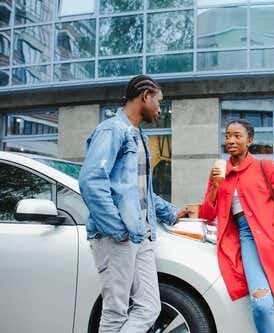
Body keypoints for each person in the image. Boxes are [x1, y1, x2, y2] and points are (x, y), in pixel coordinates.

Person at [79, 75, 185, 333]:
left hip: (141, 235)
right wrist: (118, 230)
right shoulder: (112, 130)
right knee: (115, 312)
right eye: (159, 102)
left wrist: (172, 213)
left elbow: (140, 192)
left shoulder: (138, 136)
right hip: (118, 237)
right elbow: (91, 182)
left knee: (149, 307)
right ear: (145, 96)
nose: (161, 109)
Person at [198, 119, 274, 333]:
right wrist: (215, 188)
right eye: (228, 135)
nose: (230, 140)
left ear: (250, 140)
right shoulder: (219, 172)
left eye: (237, 136)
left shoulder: (264, 166)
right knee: (261, 304)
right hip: (246, 238)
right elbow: (207, 214)